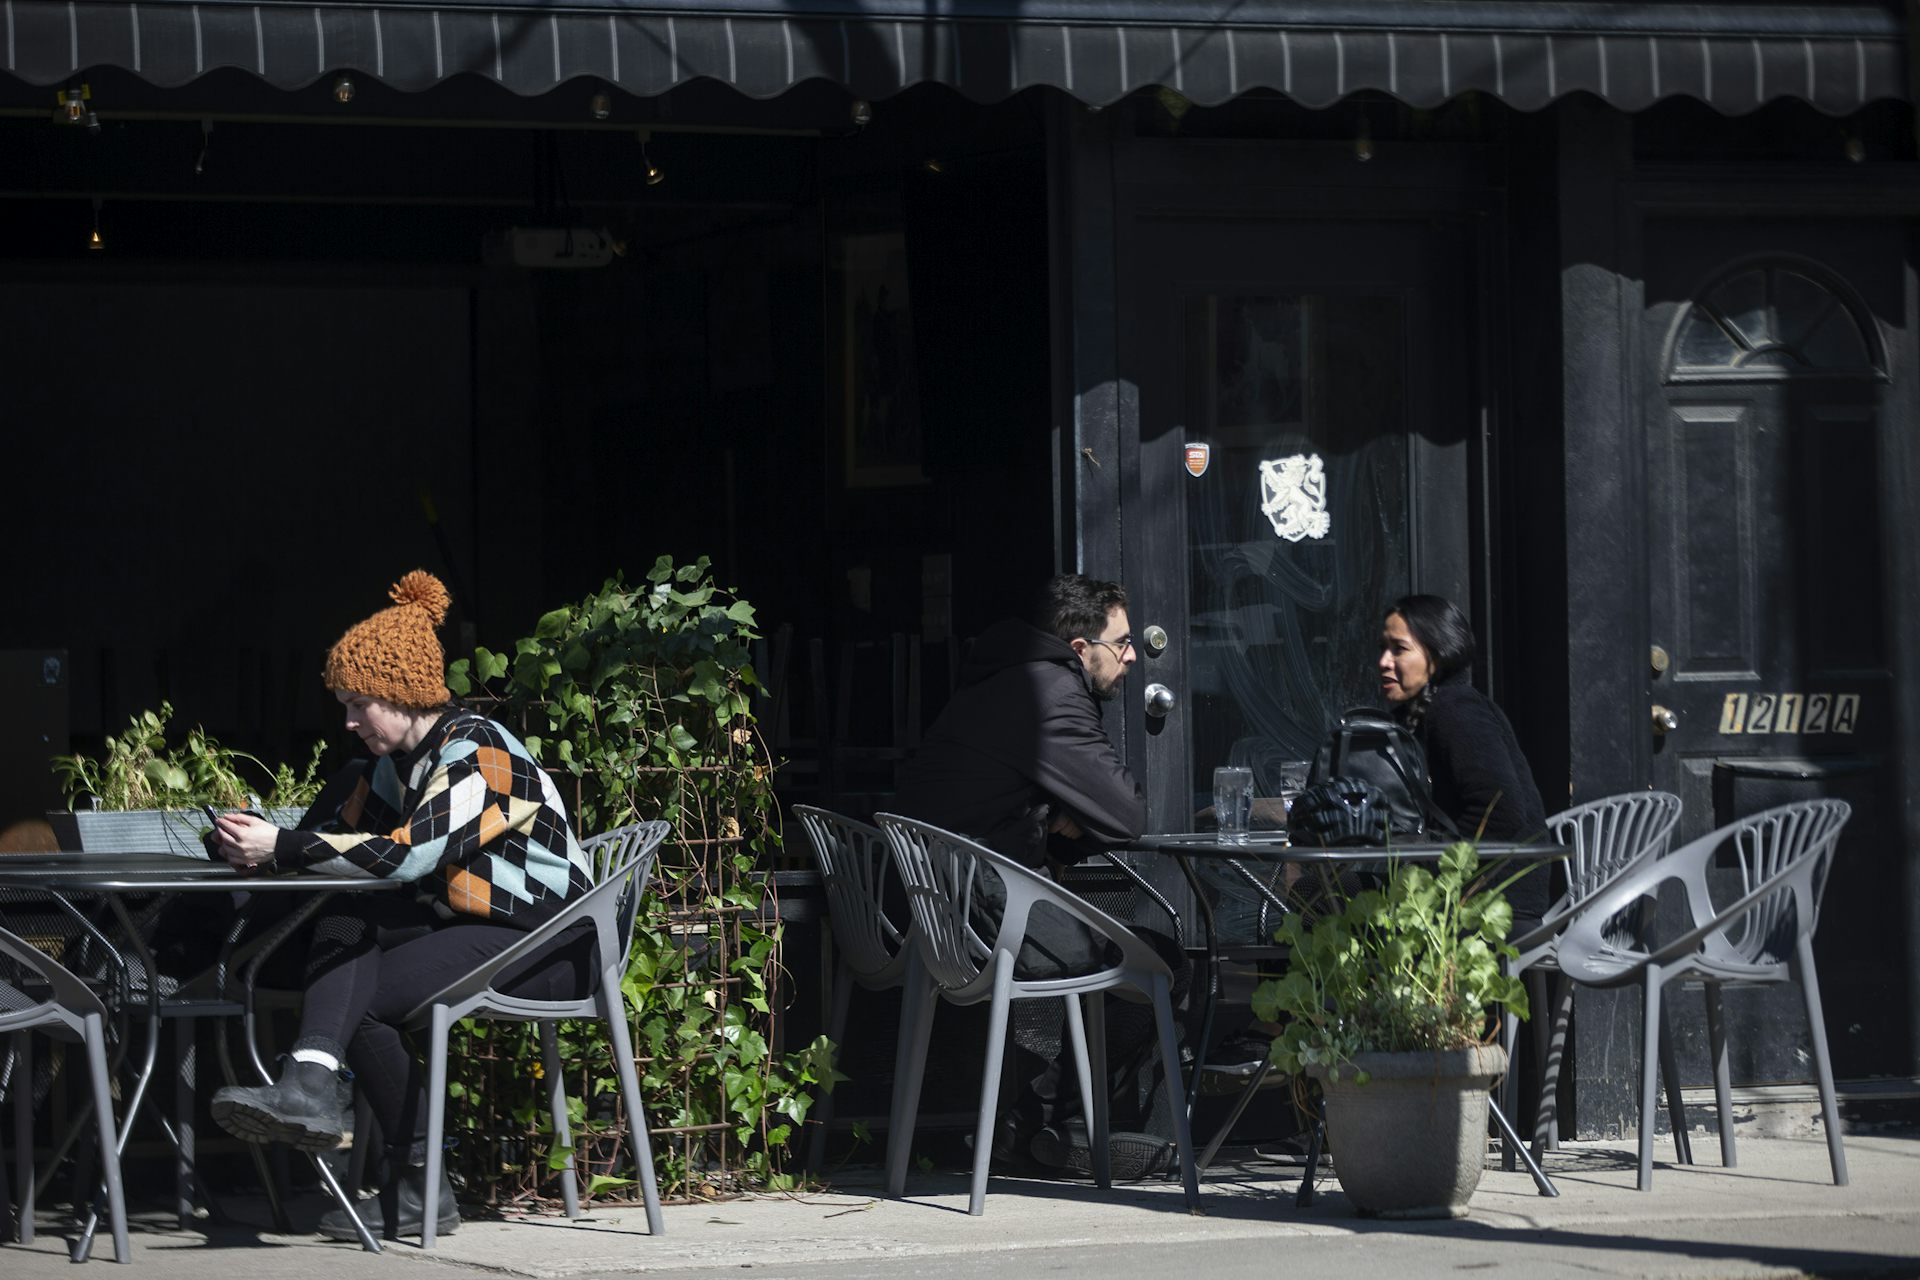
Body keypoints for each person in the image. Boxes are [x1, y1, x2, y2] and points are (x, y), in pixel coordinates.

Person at [208, 571, 597, 1241]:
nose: (350, 721)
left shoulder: (480, 753)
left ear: (403, 693)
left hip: (553, 940)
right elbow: (353, 855)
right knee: (346, 929)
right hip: (480, 927)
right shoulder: (398, 765)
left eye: (360, 704)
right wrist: (247, 846)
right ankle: (319, 1090)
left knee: (355, 997)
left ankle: (410, 1173)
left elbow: (405, 857)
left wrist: (285, 846)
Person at [891, 573, 1185, 1179]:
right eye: (1122, 643)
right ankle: (1065, 1128)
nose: (1133, 657)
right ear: (1081, 649)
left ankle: (1035, 1128)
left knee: (1117, 951)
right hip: (981, 906)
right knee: (1161, 959)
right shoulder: (1047, 691)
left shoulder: (998, 680)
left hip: (935, 905)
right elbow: (1126, 812)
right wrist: (1061, 813)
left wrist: (1047, 813)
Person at [1377, 593, 1550, 926]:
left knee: (1321, 899)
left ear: (1437, 656)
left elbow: (1502, 812)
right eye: (1383, 648)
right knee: (1323, 896)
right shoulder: (1417, 714)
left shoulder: (1456, 710)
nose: (1384, 661)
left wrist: (1425, 859)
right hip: (1453, 890)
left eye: (1398, 649)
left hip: (1491, 900)